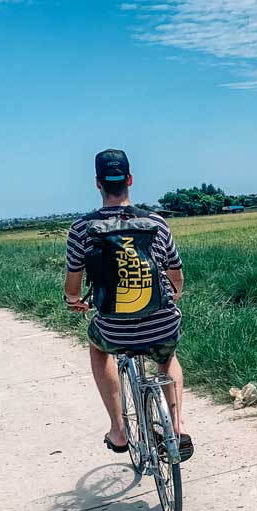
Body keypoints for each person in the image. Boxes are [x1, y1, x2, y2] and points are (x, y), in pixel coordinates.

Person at [63, 148, 194, 460]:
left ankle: (119, 430)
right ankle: (176, 429)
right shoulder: (156, 223)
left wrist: (73, 301)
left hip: (114, 329)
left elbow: (73, 285)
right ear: (130, 180)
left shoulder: (81, 229)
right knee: (166, 359)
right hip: (160, 323)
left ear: (98, 183)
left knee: (98, 350)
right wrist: (174, 294)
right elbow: (176, 274)